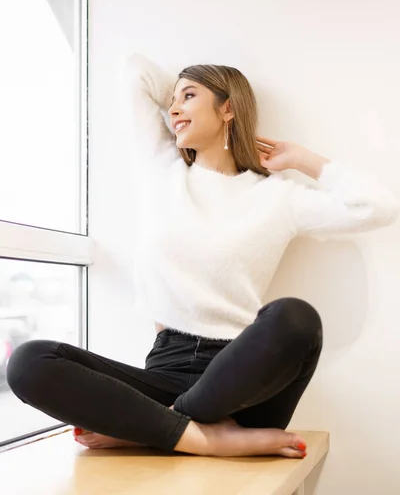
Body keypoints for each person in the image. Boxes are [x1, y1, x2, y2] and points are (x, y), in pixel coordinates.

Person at [6, 54, 400, 458]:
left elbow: (377, 207)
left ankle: (161, 425)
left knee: (296, 318)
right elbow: (135, 71)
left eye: (189, 96)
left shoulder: (277, 197)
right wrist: (186, 95)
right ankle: (201, 438)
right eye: (173, 99)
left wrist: (302, 159)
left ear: (228, 107)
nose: (174, 108)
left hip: (243, 384)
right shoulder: (163, 170)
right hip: (166, 370)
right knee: (29, 361)